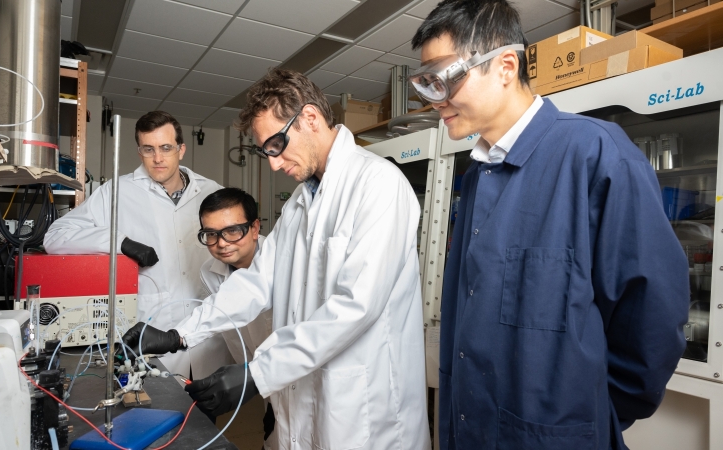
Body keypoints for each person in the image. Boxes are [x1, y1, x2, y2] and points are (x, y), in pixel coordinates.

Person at [408, 1, 689, 449]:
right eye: (425, 84)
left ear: (504, 66)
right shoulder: (477, 174)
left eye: (443, 79)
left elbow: (651, 320)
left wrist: (588, 407)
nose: (435, 99)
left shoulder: (595, 154)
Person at [121, 68, 431, 449]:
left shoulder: (379, 185)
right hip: (304, 401)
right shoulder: (300, 204)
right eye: (265, 150)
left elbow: (356, 307)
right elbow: (256, 281)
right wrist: (178, 333)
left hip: (364, 407)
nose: (272, 163)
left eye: (276, 145)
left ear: (311, 118)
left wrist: (257, 375)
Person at [44, 110, 222, 377]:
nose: (158, 158)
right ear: (139, 151)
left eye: (165, 148)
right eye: (148, 149)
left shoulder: (212, 192)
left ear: (181, 149)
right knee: (158, 410)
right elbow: (55, 236)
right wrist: (120, 242)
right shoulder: (117, 191)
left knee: (208, 415)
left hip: (208, 335)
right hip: (151, 334)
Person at [195, 187, 277, 447]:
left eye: (232, 231)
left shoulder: (282, 263)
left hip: (296, 376)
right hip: (263, 382)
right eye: (211, 234)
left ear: (254, 228)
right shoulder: (210, 271)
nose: (221, 243)